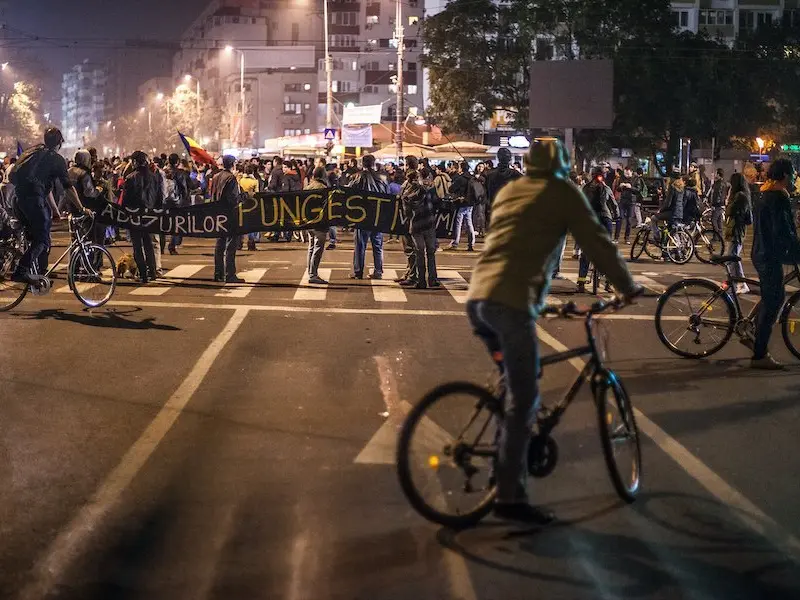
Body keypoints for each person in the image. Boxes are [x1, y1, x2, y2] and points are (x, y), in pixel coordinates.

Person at [467, 138, 642, 524]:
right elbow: (597, 243)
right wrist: (626, 288)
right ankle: (510, 498)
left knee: (514, 389)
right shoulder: (563, 192)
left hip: (480, 299)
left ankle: (504, 463)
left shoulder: (512, 189)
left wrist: (543, 302)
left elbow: (513, 250)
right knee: (527, 396)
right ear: (561, 164)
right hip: (510, 305)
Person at [12, 128, 90, 285]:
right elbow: (68, 188)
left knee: (37, 236)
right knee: (42, 239)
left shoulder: (32, 152)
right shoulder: (57, 160)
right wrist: (82, 209)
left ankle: (38, 275)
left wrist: (54, 210)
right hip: (33, 202)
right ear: (59, 143)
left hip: (19, 199)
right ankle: (22, 271)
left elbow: (44, 188)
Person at [750, 158, 800, 370]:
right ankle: (759, 355)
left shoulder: (764, 194)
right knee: (774, 300)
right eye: (792, 175)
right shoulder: (778, 198)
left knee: (771, 296)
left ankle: (754, 326)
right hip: (769, 255)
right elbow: (784, 231)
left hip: (761, 252)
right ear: (786, 176)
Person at [121, 151, 161, 283]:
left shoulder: (131, 178)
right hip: (150, 215)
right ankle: (153, 272)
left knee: (138, 246)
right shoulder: (155, 177)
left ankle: (143, 274)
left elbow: (125, 201)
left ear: (134, 162)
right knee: (149, 244)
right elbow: (160, 198)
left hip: (135, 216)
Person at [578, 167, 619, 293]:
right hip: (605, 220)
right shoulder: (605, 188)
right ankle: (608, 283)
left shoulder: (585, 188)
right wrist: (617, 216)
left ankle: (581, 282)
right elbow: (614, 205)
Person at [347, 154, 387, 279]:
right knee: (377, 245)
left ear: (362, 164)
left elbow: (349, 192)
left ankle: (358, 271)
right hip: (378, 215)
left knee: (360, 245)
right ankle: (378, 271)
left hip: (362, 215)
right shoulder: (382, 178)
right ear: (374, 163)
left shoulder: (358, 177)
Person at [400, 169, 441, 289]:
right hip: (429, 223)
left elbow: (406, 211)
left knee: (419, 253)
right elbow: (437, 204)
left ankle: (421, 281)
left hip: (416, 225)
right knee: (431, 253)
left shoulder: (407, 193)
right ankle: (432, 279)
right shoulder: (430, 190)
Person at [212, 155, 245, 284]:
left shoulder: (216, 177)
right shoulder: (231, 178)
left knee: (219, 245)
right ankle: (230, 274)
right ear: (233, 165)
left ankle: (218, 273)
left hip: (218, 214)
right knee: (231, 246)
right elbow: (234, 199)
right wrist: (245, 196)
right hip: (230, 215)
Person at [723, 172, 752, 295]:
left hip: (736, 231)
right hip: (734, 230)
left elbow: (730, 210)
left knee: (731, 257)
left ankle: (738, 284)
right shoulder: (741, 195)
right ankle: (737, 283)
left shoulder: (740, 196)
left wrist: (728, 200)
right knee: (732, 258)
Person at [304, 167, 331, 284]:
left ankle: (311, 272)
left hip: (308, 222)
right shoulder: (324, 189)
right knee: (318, 248)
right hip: (320, 223)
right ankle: (313, 274)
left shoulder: (307, 188)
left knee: (311, 247)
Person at [484, 147, 520, 227]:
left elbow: (487, 194)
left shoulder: (490, 175)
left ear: (498, 158)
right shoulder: (516, 174)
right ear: (509, 159)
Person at [448, 161, 477, 251]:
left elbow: (451, 189)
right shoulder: (472, 178)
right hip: (470, 203)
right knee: (469, 223)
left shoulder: (461, 179)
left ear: (461, 168)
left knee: (458, 223)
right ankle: (471, 243)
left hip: (462, 202)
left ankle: (455, 243)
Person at [166, 153, 192, 254]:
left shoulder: (163, 172)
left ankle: (162, 244)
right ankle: (173, 244)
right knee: (179, 224)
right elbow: (189, 187)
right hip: (179, 202)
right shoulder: (182, 173)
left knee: (164, 223)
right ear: (177, 162)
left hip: (166, 201)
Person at [239, 164, 260, 251]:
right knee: (251, 224)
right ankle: (251, 244)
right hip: (251, 203)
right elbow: (257, 192)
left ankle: (239, 243)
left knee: (241, 224)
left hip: (241, 203)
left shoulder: (240, 180)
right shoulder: (254, 181)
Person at [709, 168, 730, 239]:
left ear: (718, 174)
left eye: (716, 173)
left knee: (714, 220)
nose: (715, 175)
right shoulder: (723, 183)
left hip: (718, 205)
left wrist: (714, 204)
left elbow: (717, 195)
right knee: (719, 220)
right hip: (721, 204)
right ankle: (719, 236)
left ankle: (717, 235)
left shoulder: (719, 184)